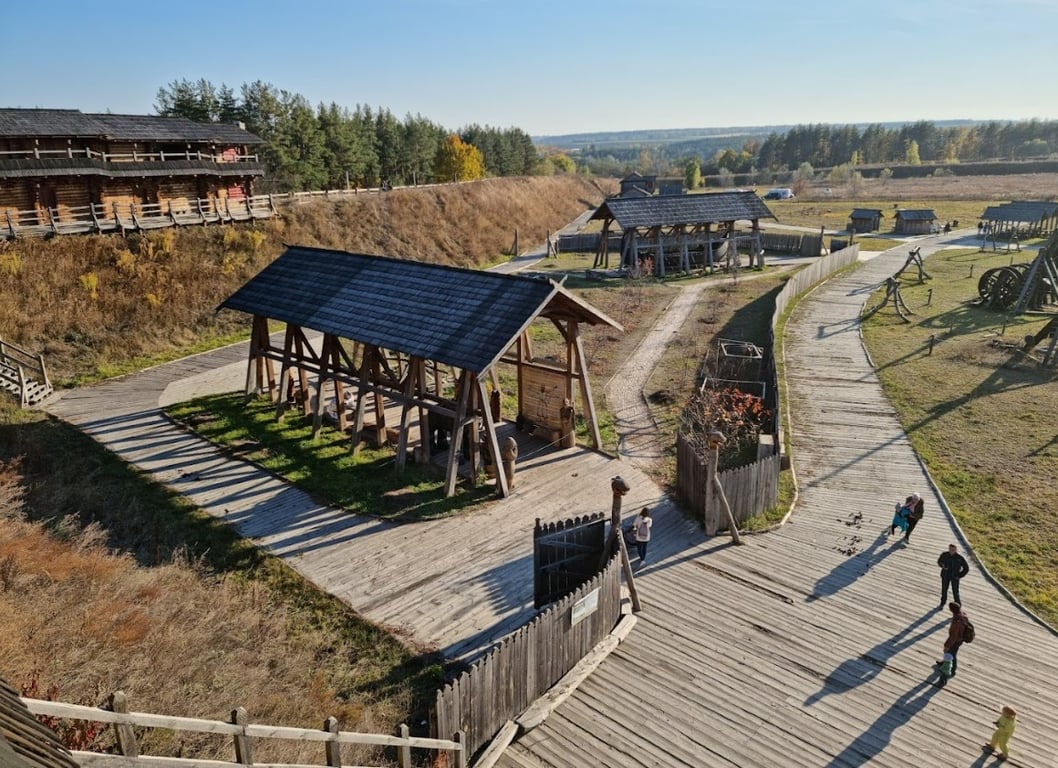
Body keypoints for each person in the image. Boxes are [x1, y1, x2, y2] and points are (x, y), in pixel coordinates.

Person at [941, 601, 970, 679]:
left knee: (951, 654)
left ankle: (952, 671)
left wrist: (947, 645)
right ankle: (944, 663)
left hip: (956, 640)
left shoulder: (956, 622)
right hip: (961, 639)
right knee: (951, 653)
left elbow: (953, 637)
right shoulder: (963, 615)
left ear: (951, 610)